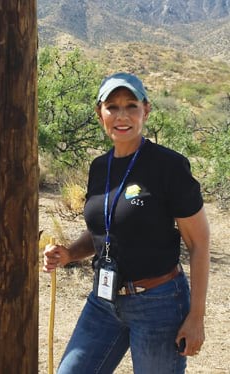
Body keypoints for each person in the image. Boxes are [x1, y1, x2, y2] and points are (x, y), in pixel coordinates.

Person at [43, 72, 210, 374]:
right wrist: (69, 253)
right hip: (103, 302)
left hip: (159, 304)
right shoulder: (99, 167)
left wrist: (196, 316)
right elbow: (103, 231)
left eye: (131, 105)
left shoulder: (169, 166)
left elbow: (199, 243)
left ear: (146, 110)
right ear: (100, 114)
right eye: (112, 107)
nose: (122, 116)